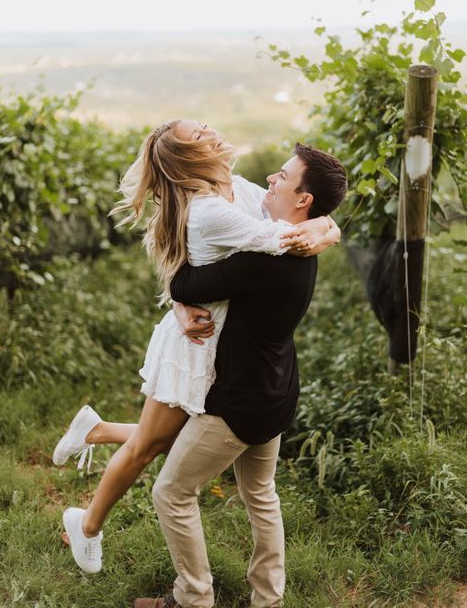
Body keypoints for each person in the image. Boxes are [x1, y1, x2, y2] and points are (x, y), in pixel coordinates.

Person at [52, 120, 341, 574]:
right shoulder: (208, 210)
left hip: (218, 336)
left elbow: (286, 218)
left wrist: (326, 225)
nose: (212, 132)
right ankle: (86, 527)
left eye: (205, 127)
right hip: (196, 343)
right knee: (152, 447)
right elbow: (282, 238)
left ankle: (97, 431)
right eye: (201, 137)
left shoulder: (239, 190)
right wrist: (325, 226)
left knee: (174, 443)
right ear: (193, 159)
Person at [134, 142, 348, 608]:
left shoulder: (264, 259)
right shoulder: (302, 248)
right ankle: (268, 601)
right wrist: (327, 228)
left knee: (170, 492)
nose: (271, 178)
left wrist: (177, 296)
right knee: (260, 494)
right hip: (277, 391)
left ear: (303, 200)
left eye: (283, 176)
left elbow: (184, 282)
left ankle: (192, 599)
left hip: (239, 402)